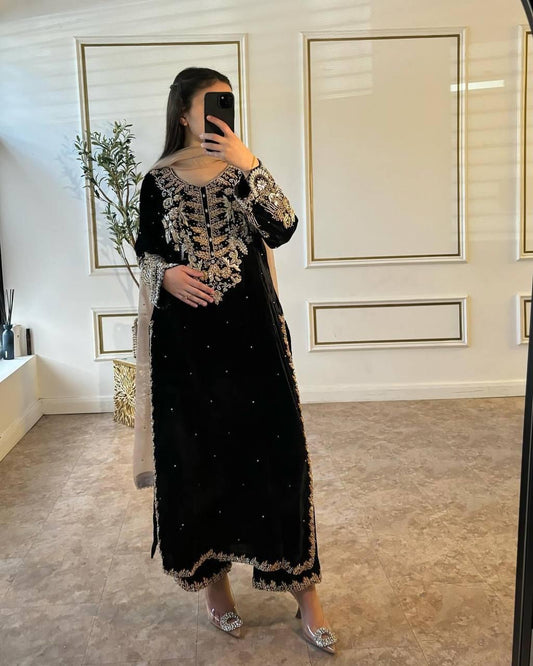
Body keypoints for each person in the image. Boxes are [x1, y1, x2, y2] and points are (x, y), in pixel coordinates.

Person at [133, 66, 338, 654]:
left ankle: (307, 595)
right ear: (183, 114)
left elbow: (284, 228)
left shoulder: (245, 172)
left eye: (228, 101)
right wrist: (166, 274)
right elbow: (147, 250)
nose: (222, 111)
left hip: (253, 342)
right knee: (198, 464)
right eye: (211, 103)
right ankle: (216, 591)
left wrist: (249, 165)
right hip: (186, 350)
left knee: (279, 461)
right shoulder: (157, 182)